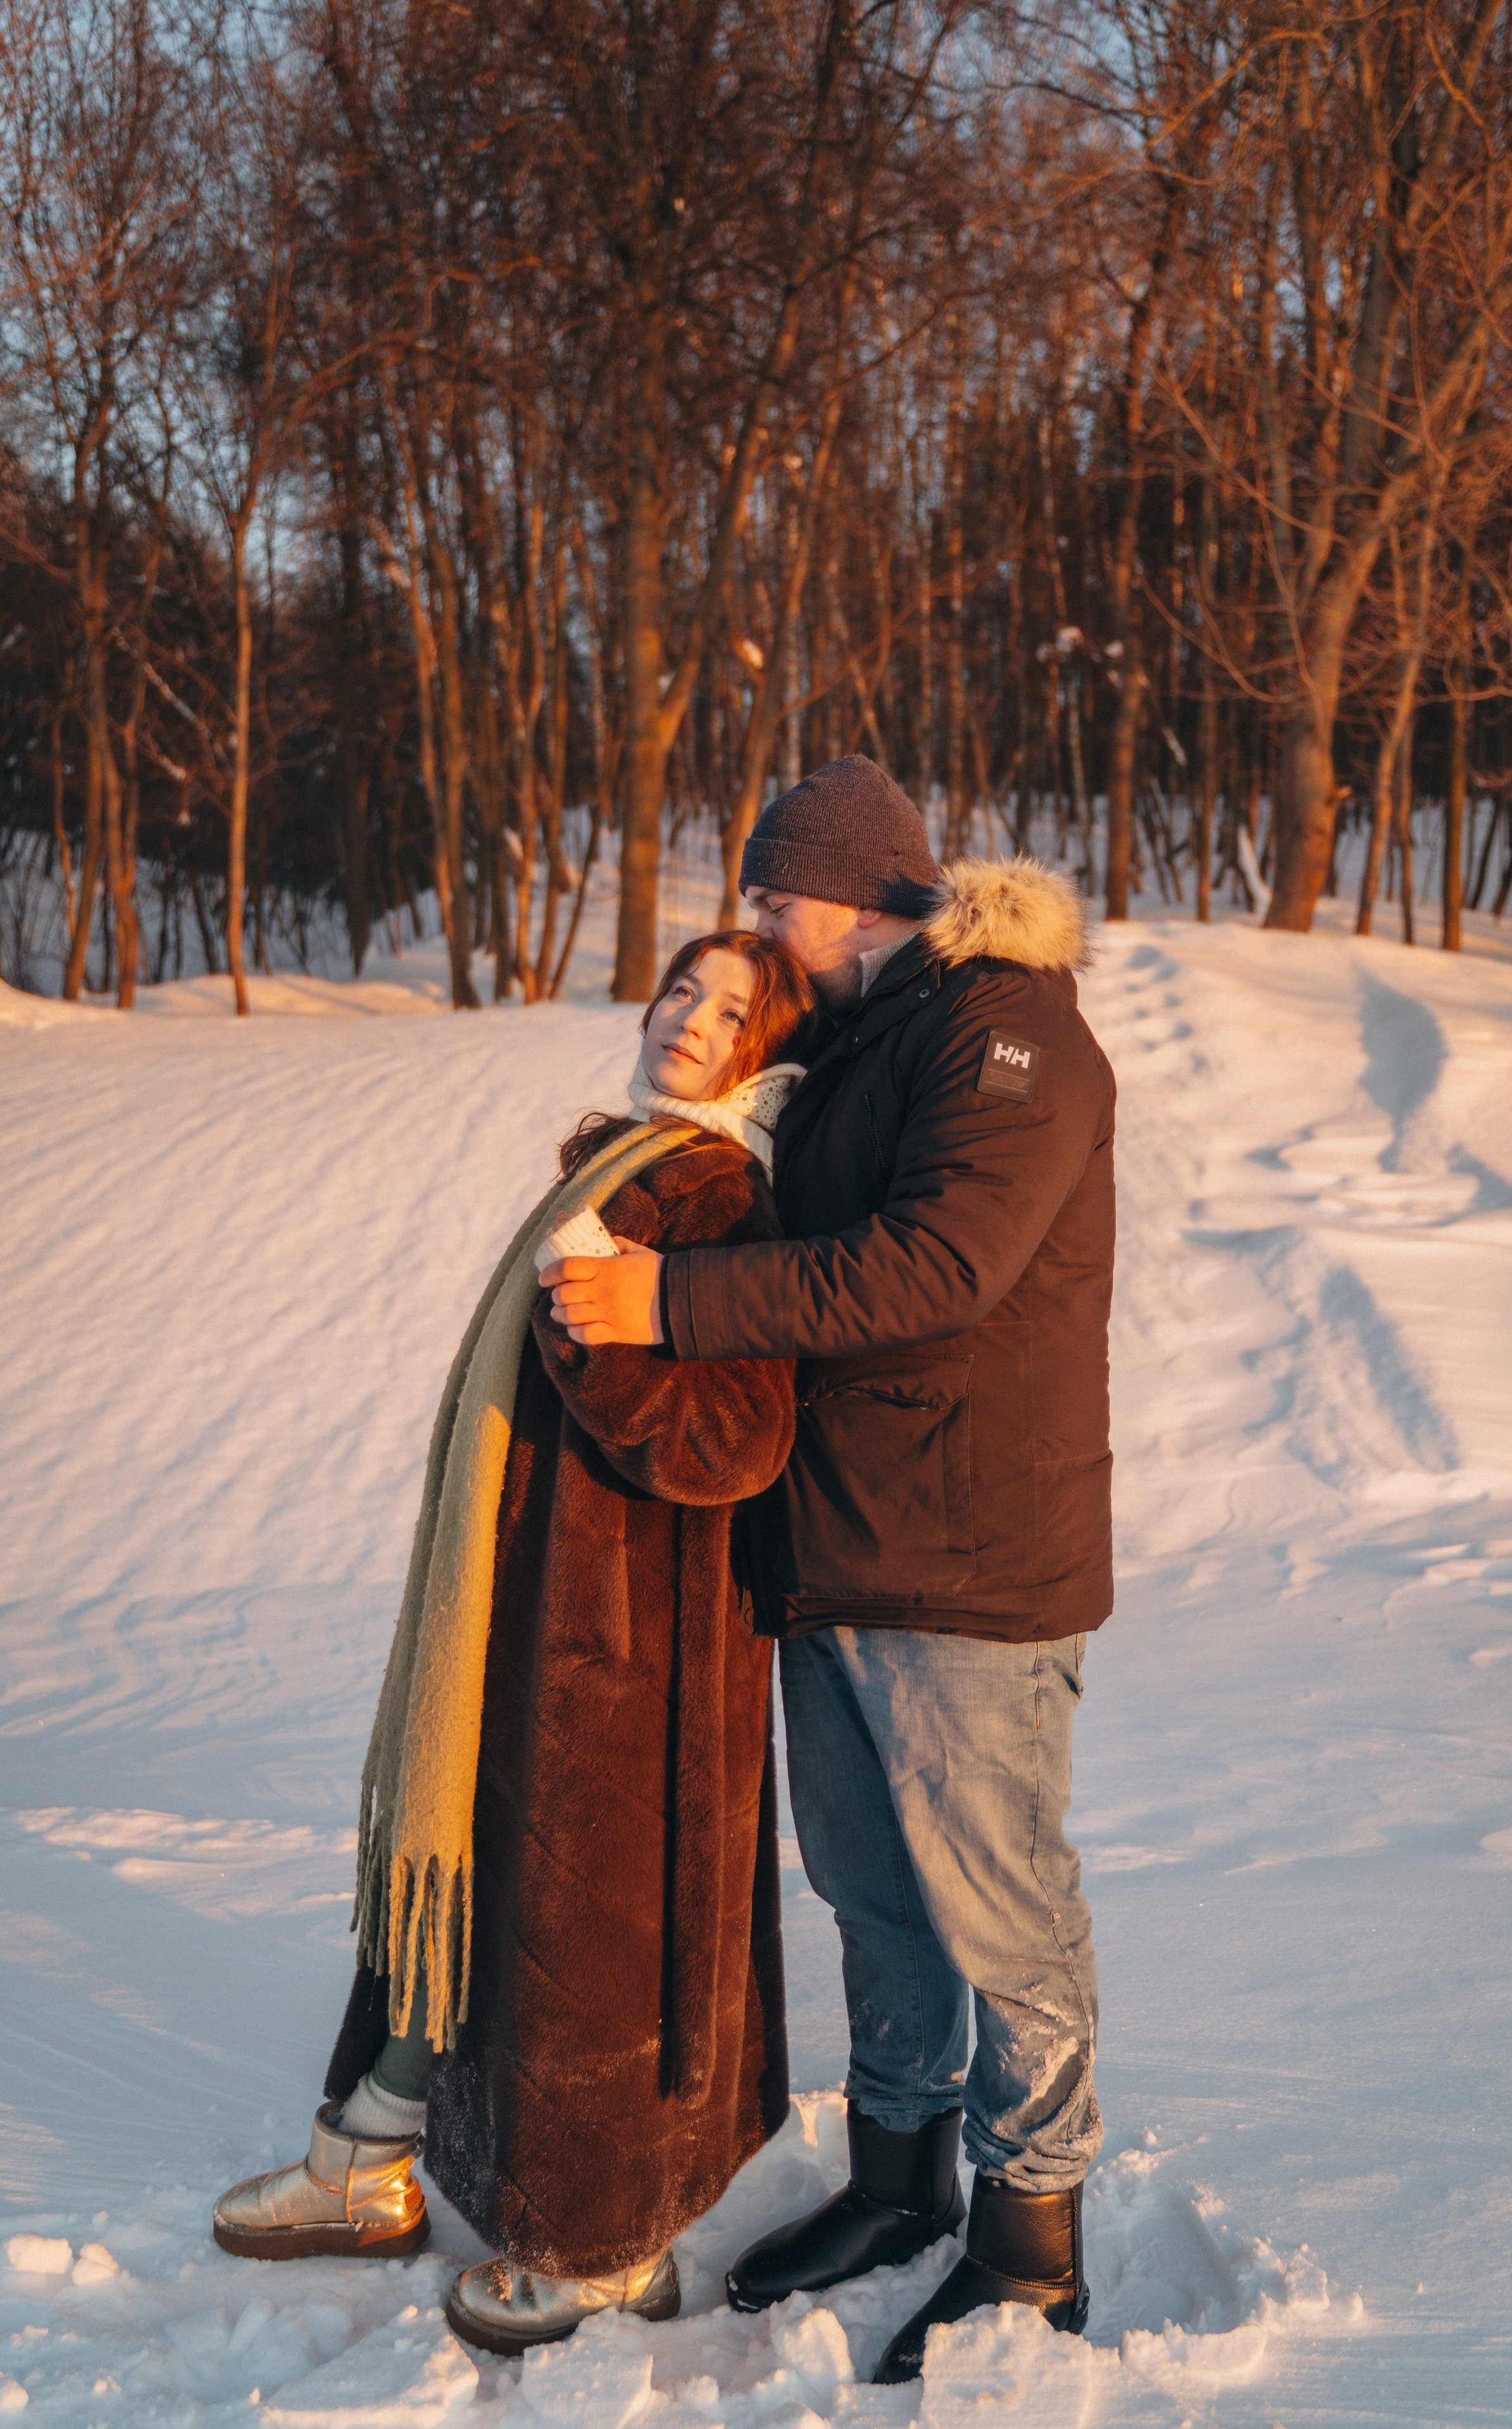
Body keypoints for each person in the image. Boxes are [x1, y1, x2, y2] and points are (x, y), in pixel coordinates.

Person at [544, 756, 1116, 2386]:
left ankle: (1030, 2234)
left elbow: (943, 1266)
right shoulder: (859, 1038)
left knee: (1000, 1910)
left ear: (852, 891)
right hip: (840, 1545)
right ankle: (894, 2176)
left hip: (970, 1553)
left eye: (772, 889)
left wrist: (672, 1304)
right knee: (873, 1895)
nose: (755, 920)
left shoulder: (1006, 1026)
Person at [213, 930, 816, 2357]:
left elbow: (738, 1438)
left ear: (763, 1049)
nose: (689, 1015)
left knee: (586, 1953)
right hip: (528, 1618)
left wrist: (602, 1337)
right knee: (464, 1889)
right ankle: (366, 2156)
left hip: (628, 1662)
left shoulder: (721, 1192)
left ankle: (603, 2245)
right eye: (681, 986)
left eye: (731, 1007)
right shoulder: (623, 1162)